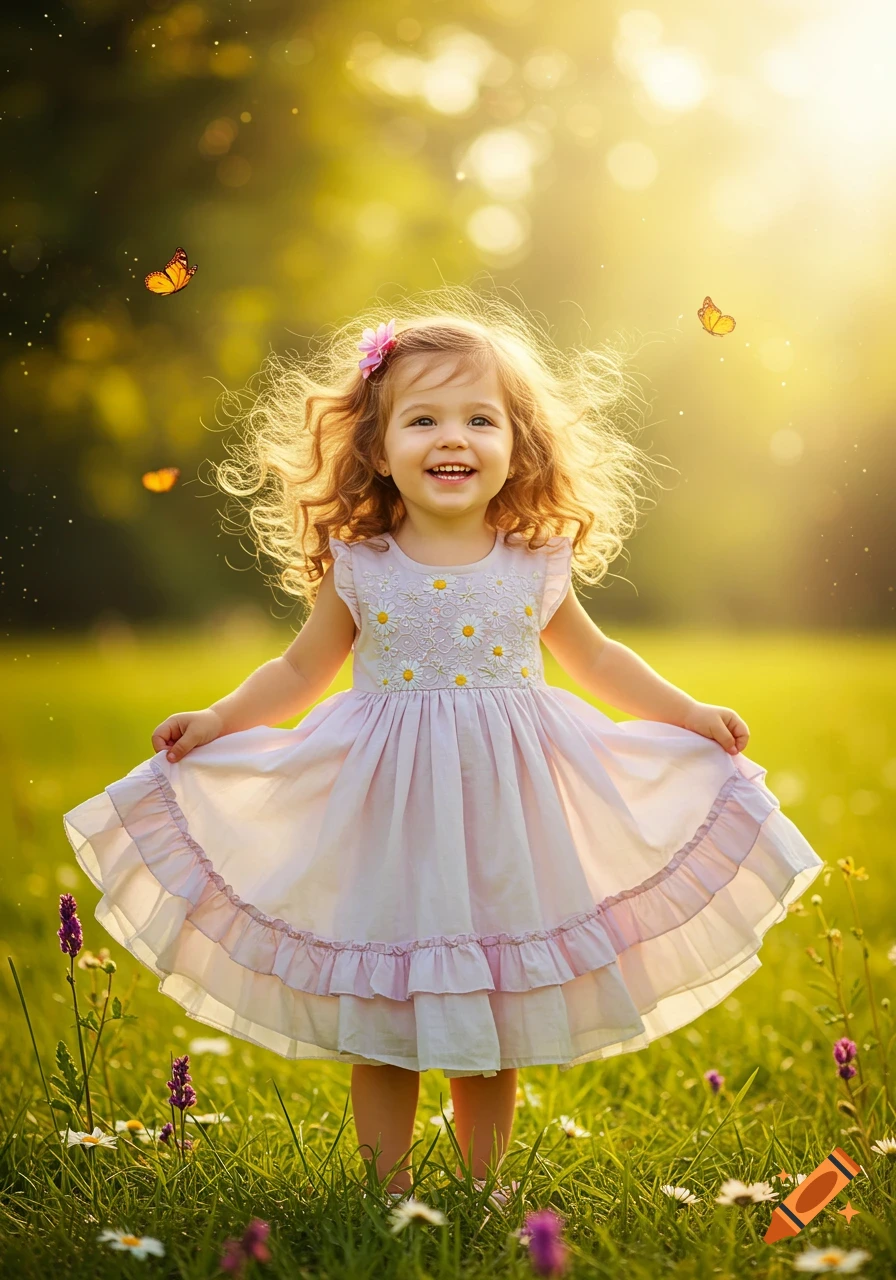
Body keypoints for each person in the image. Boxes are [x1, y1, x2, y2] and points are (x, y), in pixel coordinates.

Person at [62, 287, 823, 1202]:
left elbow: (597, 659)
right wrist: (221, 721)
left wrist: (687, 713)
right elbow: (302, 670)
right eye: (422, 419)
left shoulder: (534, 555)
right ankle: (386, 1192)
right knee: (385, 1007)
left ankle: (482, 1185)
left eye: (479, 419)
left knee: (490, 1004)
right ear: (378, 451)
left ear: (517, 446)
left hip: (507, 807)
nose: (451, 438)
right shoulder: (363, 559)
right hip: (387, 806)